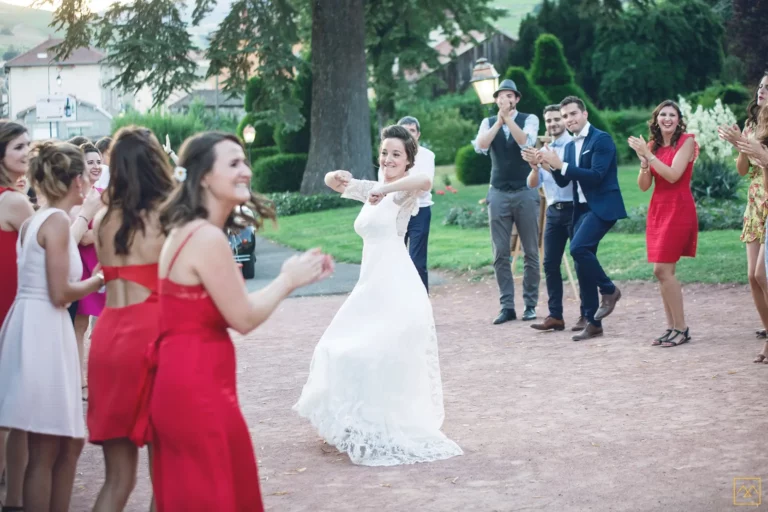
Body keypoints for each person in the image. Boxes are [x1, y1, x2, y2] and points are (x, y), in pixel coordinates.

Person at [129, 131, 332, 511]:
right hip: (196, 388)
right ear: (204, 176)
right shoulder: (206, 237)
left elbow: (227, 306)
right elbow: (243, 317)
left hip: (187, 380)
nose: (246, 171)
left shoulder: (190, 230)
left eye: (245, 162)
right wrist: (288, 278)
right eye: (234, 163)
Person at [294, 125, 463, 467]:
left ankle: (386, 424)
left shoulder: (402, 193)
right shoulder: (371, 189)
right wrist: (335, 174)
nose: (388, 158)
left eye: (396, 154)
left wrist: (385, 188)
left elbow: (425, 183)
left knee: (377, 351)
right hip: (370, 283)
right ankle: (357, 423)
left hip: (395, 282)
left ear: (407, 161)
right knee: (335, 347)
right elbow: (333, 182)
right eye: (385, 152)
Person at [0, 141, 105, 512]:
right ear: (77, 181)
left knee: (60, 441)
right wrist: (98, 279)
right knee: (50, 442)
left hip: (33, 323)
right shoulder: (57, 221)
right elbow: (60, 292)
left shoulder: (35, 220)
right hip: (44, 325)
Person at [87, 127, 174, 511]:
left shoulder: (105, 218)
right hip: (153, 337)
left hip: (108, 337)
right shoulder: (166, 216)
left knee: (117, 479)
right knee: (165, 475)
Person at [537, 96, 627, 341]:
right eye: (565, 116)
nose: (569, 119)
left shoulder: (602, 140)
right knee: (583, 261)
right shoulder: (567, 147)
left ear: (585, 114)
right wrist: (550, 165)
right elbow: (564, 181)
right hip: (582, 209)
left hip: (602, 208)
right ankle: (593, 322)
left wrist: (561, 166)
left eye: (573, 114)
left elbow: (596, 176)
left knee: (578, 249)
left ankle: (609, 290)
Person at [629, 100, 698, 347]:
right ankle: (671, 327)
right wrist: (644, 163)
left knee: (661, 270)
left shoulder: (687, 141)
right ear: (656, 119)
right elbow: (644, 186)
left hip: (679, 208)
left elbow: (672, 175)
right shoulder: (652, 146)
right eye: (663, 115)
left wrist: (648, 155)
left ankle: (682, 328)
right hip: (658, 209)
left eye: (672, 115)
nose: (667, 118)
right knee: (663, 273)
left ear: (679, 120)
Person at [472, 79, 541, 324]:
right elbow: (480, 146)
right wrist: (499, 121)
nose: (506, 99)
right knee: (500, 252)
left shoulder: (529, 118)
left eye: (510, 96)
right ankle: (507, 305)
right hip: (498, 191)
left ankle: (530, 305)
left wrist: (508, 119)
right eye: (501, 96)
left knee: (531, 252)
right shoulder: (487, 122)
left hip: (525, 190)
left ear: (516, 99)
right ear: (496, 100)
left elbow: (526, 142)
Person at [522, 105, 584, 332]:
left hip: (574, 209)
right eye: (548, 120)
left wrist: (545, 162)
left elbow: (566, 178)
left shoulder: (573, 145)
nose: (552, 124)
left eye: (557, 119)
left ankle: (586, 314)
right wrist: (535, 167)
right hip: (553, 211)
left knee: (580, 262)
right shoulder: (545, 148)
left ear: (565, 120)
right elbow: (532, 184)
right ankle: (555, 315)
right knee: (549, 263)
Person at [718, 73, 768, 349]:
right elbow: (742, 169)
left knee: (763, 274)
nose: (761, 91)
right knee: (752, 275)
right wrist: (740, 145)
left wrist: (751, 146)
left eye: (767, 87)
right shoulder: (751, 123)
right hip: (755, 202)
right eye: (760, 86)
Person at [0, 121, 33, 512]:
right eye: (18, 147)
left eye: (28, 145)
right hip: (10, 307)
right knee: (12, 406)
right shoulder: (14, 202)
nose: (27, 152)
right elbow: (49, 245)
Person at [378, 116, 435, 291]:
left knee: (417, 261)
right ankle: (398, 299)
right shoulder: (390, 156)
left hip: (420, 211)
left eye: (412, 131)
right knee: (395, 259)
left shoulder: (427, 155)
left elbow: (425, 185)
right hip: (395, 211)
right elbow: (384, 184)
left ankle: (421, 303)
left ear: (418, 134)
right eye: (405, 131)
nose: (408, 135)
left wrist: (404, 193)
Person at [72, 142, 106, 400]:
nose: (95, 166)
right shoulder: (78, 197)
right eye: (90, 162)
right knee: (80, 324)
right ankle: (79, 381)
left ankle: (102, 377)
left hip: (102, 264)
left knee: (105, 324)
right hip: (82, 266)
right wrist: (104, 232)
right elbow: (82, 238)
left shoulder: (104, 193)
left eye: (98, 161)